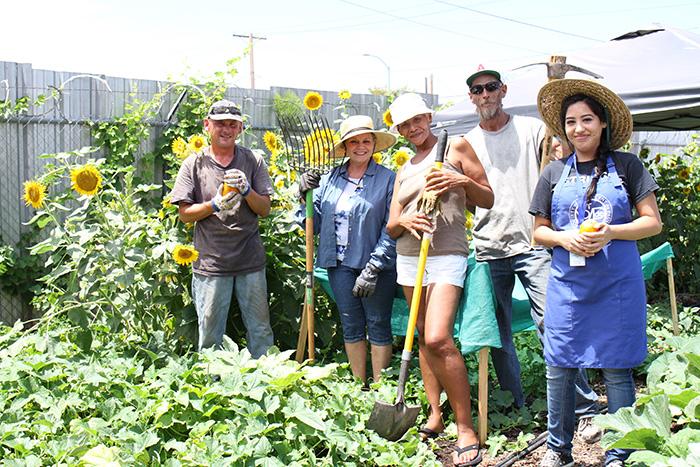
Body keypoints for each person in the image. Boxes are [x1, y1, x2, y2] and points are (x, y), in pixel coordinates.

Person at [463, 67, 601, 439]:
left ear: (503, 90)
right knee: (500, 332)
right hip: (489, 245)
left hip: (534, 243)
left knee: (553, 321)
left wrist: (560, 146)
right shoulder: (467, 141)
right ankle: (514, 403)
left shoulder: (532, 129)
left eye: (491, 87)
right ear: (471, 97)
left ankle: (584, 405)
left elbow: (566, 158)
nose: (485, 94)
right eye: (477, 90)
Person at [530, 79, 662, 467]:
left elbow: (651, 222)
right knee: (560, 367)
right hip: (568, 287)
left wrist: (610, 232)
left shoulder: (627, 166)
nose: (578, 128)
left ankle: (618, 453)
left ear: (602, 124)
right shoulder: (553, 173)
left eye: (587, 119)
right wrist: (565, 238)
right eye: (571, 122)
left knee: (617, 369)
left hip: (616, 285)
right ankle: (558, 450)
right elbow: (538, 233)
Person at [386, 93, 493, 467]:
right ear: (399, 131)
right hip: (409, 257)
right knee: (421, 339)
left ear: (429, 117)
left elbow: (487, 198)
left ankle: (466, 428)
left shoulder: (457, 147)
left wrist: (459, 180)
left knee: (438, 337)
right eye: (404, 125)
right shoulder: (405, 167)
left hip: (446, 253)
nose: (413, 128)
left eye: (417, 120)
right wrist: (406, 222)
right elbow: (391, 223)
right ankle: (435, 412)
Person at [169, 99, 274, 358]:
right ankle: (212, 389)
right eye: (219, 124)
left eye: (232, 124)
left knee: (260, 331)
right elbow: (184, 214)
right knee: (210, 334)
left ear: (240, 129)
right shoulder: (194, 164)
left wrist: (247, 191)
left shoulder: (253, 160)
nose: (226, 129)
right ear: (207, 126)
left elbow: (265, 209)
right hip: (211, 262)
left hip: (250, 260)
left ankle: (266, 382)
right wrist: (214, 205)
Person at [297, 115, 398, 384]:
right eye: (354, 141)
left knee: (377, 323)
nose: (361, 146)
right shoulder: (331, 179)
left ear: (374, 144)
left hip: (374, 265)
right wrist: (304, 195)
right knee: (351, 324)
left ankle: (380, 388)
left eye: (366, 140)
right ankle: (358, 386)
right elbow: (312, 223)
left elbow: (392, 228)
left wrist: (374, 266)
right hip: (338, 264)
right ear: (345, 146)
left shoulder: (388, 179)